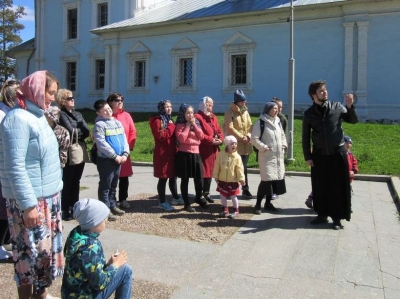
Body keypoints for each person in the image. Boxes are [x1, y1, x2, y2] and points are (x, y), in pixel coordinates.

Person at [0, 71, 64, 299]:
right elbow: (14, 166)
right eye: (50, 92)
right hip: (31, 202)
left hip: (47, 198)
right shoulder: (17, 119)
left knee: (43, 259)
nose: (53, 98)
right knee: (29, 259)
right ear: (36, 90)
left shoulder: (37, 115)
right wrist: (28, 205)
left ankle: (42, 295)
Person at [302, 80, 358, 230]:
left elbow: (352, 120)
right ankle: (321, 215)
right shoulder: (309, 114)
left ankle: (337, 218)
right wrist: (308, 156)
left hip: (337, 154)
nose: (325, 92)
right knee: (320, 186)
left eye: (325, 90)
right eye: (321, 91)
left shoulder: (337, 107)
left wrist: (350, 106)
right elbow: (305, 136)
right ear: (314, 95)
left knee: (337, 187)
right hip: (319, 156)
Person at [62, 198, 133, 299]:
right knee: (126, 270)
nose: (106, 221)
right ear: (94, 222)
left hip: (71, 294)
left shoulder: (76, 237)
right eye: (103, 219)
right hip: (85, 296)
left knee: (123, 269)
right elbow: (99, 283)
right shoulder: (90, 247)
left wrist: (107, 264)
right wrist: (115, 265)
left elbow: (86, 269)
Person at [56, 89, 90, 221]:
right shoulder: (61, 114)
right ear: (62, 101)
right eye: (69, 98)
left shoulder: (77, 113)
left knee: (77, 180)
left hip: (80, 147)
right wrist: (78, 130)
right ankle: (65, 209)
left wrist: (78, 130)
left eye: (72, 97)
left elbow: (86, 130)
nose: (72, 100)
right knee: (68, 181)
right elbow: (70, 131)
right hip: (69, 149)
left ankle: (75, 206)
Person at [93, 100, 129, 221]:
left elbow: (124, 139)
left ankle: (113, 205)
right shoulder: (99, 125)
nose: (108, 111)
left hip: (118, 159)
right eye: (105, 110)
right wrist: (114, 156)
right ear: (99, 113)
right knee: (106, 185)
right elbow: (101, 143)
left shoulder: (117, 122)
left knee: (114, 184)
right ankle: (105, 209)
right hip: (106, 160)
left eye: (109, 108)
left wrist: (125, 153)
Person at [305, 135, 359, 211]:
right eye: (346, 143)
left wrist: (353, 170)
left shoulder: (350, 154)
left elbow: (354, 163)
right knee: (322, 187)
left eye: (350, 143)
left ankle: (347, 206)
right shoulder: (337, 154)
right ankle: (313, 200)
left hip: (348, 178)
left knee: (347, 192)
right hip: (336, 176)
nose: (348, 145)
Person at [251, 102, 287, 214]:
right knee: (266, 182)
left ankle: (268, 203)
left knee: (274, 182)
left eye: (277, 108)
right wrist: (264, 147)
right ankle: (257, 205)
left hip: (277, 157)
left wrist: (284, 145)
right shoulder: (261, 122)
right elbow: (254, 139)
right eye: (274, 108)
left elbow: (282, 135)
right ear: (268, 110)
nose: (276, 110)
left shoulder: (277, 121)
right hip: (266, 157)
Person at [149, 100, 184, 212]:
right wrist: (171, 126)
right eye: (166, 107)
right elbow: (162, 136)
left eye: (170, 106)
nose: (169, 109)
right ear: (161, 108)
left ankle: (175, 197)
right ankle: (162, 201)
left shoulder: (169, 119)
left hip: (172, 152)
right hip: (163, 154)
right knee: (163, 178)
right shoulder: (157, 120)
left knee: (173, 176)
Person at [175, 103, 208, 212]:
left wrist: (194, 124)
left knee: (199, 178)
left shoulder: (196, 123)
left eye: (191, 113)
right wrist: (188, 126)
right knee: (185, 180)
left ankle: (199, 197)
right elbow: (181, 139)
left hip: (196, 153)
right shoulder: (180, 124)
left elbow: (201, 136)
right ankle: (186, 203)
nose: (190, 115)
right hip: (184, 154)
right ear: (183, 114)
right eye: (187, 113)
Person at [0, 79, 19, 262]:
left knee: (6, 207)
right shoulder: (2, 113)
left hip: (6, 167)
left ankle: (5, 239)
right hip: (2, 165)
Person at [107, 93, 137, 210]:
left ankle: (123, 199)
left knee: (124, 178)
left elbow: (132, 132)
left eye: (121, 100)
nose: (120, 102)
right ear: (110, 102)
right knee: (111, 178)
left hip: (124, 152)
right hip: (111, 153)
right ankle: (111, 200)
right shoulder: (108, 116)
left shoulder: (126, 115)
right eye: (117, 100)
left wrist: (128, 149)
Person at [224, 90, 253, 199]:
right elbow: (230, 128)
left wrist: (248, 136)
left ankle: (245, 189)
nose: (244, 103)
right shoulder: (229, 112)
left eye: (245, 101)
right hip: (235, 144)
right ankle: (228, 189)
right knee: (232, 167)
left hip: (245, 144)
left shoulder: (246, 111)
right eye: (242, 101)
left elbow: (250, 124)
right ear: (237, 101)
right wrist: (241, 137)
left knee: (243, 168)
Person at [196, 96, 224, 203]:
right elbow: (200, 134)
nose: (210, 106)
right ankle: (200, 195)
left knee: (211, 172)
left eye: (212, 104)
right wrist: (211, 140)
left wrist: (221, 139)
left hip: (214, 150)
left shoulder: (213, 116)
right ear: (203, 104)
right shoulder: (198, 117)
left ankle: (206, 193)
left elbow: (219, 130)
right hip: (204, 150)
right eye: (208, 104)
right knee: (203, 173)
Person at [213, 136, 245, 218]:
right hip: (222, 179)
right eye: (232, 144)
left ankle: (236, 210)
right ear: (227, 145)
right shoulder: (221, 155)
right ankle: (225, 209)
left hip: (233, 180)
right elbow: (217, 166)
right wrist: (216, 175)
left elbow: (240, 169)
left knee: (233, 196)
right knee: (222, 195)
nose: (234, 145)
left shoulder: (237, 157)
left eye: (235, 144)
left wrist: (241, 179)